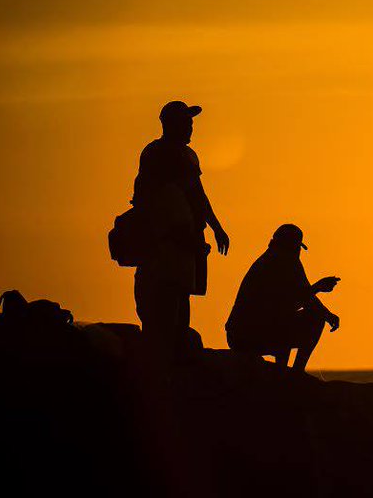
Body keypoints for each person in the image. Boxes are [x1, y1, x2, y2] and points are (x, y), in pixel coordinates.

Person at [130, 100, 229, 356]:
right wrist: (214, 227)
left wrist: (215, 228)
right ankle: (167, 350)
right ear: (170, 124)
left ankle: (175, 347)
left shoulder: (181, 154)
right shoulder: (161, 153)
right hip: (167, 238)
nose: (190, 127)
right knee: (167, 292)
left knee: (180, 291)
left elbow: (198, 195)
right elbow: (158, 196)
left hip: (184, 237)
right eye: (186, 122)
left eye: (191, 122)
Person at [226, 224, 340, 370]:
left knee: (315, 315)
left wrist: (327, 315)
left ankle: (295, 373)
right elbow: (286, 304)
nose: (297, 251)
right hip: (245, 335)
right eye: (295, 247)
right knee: (286, 318)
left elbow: (304, 295)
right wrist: (317, 288)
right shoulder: (270, 264)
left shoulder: (291, 263)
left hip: (264, 328)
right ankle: (286, 375)